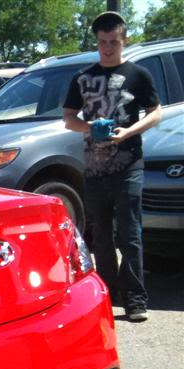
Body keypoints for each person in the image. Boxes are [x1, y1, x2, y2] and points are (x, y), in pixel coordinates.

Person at [62, 11, 162, 322]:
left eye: (113, 42)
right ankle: (107, 294)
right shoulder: (82, 78)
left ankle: (135, 301)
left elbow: (155, 111)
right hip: (94, 170)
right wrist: (88, 127)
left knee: (129, 236)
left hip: (129, 164)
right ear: (97, 41)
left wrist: (130, 131)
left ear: (124, 39)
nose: (108, 48)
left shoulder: (138, 74)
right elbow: (68, 118)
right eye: (103, 42)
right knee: (101, 238)